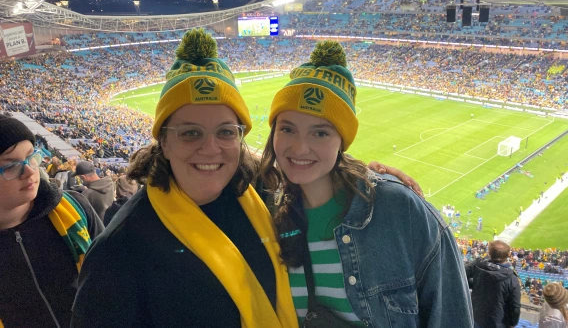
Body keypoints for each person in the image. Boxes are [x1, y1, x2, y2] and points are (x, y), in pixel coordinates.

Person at [72, 30, 421, 328]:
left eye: (225, 132)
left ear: (240, 138)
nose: (211, 149)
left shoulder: (257, 193)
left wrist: (373, 180)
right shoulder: (119, 249)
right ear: (163, 140)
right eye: (190, 133)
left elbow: (311, 166)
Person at [260, 41, 473, 327]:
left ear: (342, 141)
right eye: (287, 129)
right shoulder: (265, 213)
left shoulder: (398, 209)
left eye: (320, 133)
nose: (299, 148)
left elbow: (451, 317)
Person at [0, 114, 103, 328]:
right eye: (11, 166)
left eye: (31, 157)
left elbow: (115, 276)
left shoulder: (76, 207)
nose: (29, 171)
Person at [465, 240, 521, 328]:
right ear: (507, 256)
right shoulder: (512, 279)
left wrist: (475, 283)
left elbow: (462, 274)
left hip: (475, 319)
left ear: (489, 253)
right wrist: (512, 324)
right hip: (498, 323)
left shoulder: (478, 266)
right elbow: (515, 306)